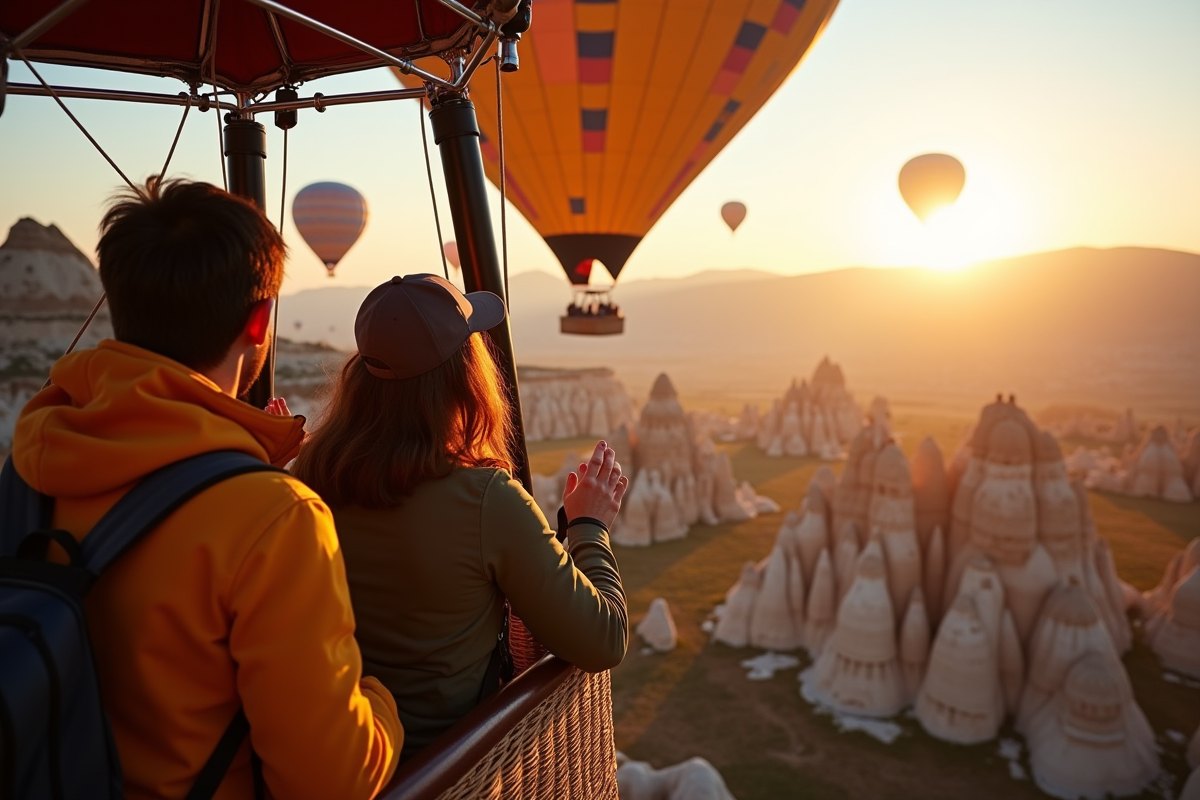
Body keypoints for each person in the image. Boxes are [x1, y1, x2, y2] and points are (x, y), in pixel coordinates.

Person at [9, 178, 402, 798]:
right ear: (259, 321)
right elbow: (332, 781)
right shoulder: (272, 517)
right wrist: (380, 701)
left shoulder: (28, 465)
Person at [291, 274, 629, 758]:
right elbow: (604, 638)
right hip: (446, 765)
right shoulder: (486, 499)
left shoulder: (310, 474)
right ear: (464, 374)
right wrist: (589, 527)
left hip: (338, 754)